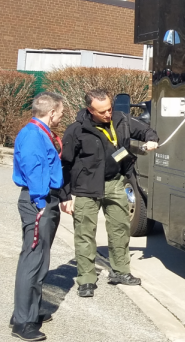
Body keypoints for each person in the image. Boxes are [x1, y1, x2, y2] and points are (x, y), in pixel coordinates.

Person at [61, 89, 159, 298]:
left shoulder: (121, 119)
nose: (108, 114)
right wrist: (65, 195)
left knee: (120, 230)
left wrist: (151, 139)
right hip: (87, 187)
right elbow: (65, 164)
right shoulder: (76, 130)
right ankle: (86, 279)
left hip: (115, 183)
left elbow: (145, 130)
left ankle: (120, 271)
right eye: (102, 112)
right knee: (85, 233)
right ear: (90, 110)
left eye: (109, 109)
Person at [11, 91, 69, 342]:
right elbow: (34, 168)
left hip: (45, 198)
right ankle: (22, 321)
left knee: (39, 259)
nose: (61, 116)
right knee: (33, 260)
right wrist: (40, 201)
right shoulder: (34, 135)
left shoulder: (37, 132)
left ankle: (30, 310)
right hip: (39, 201)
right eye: (61, 112)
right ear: (52, 111)